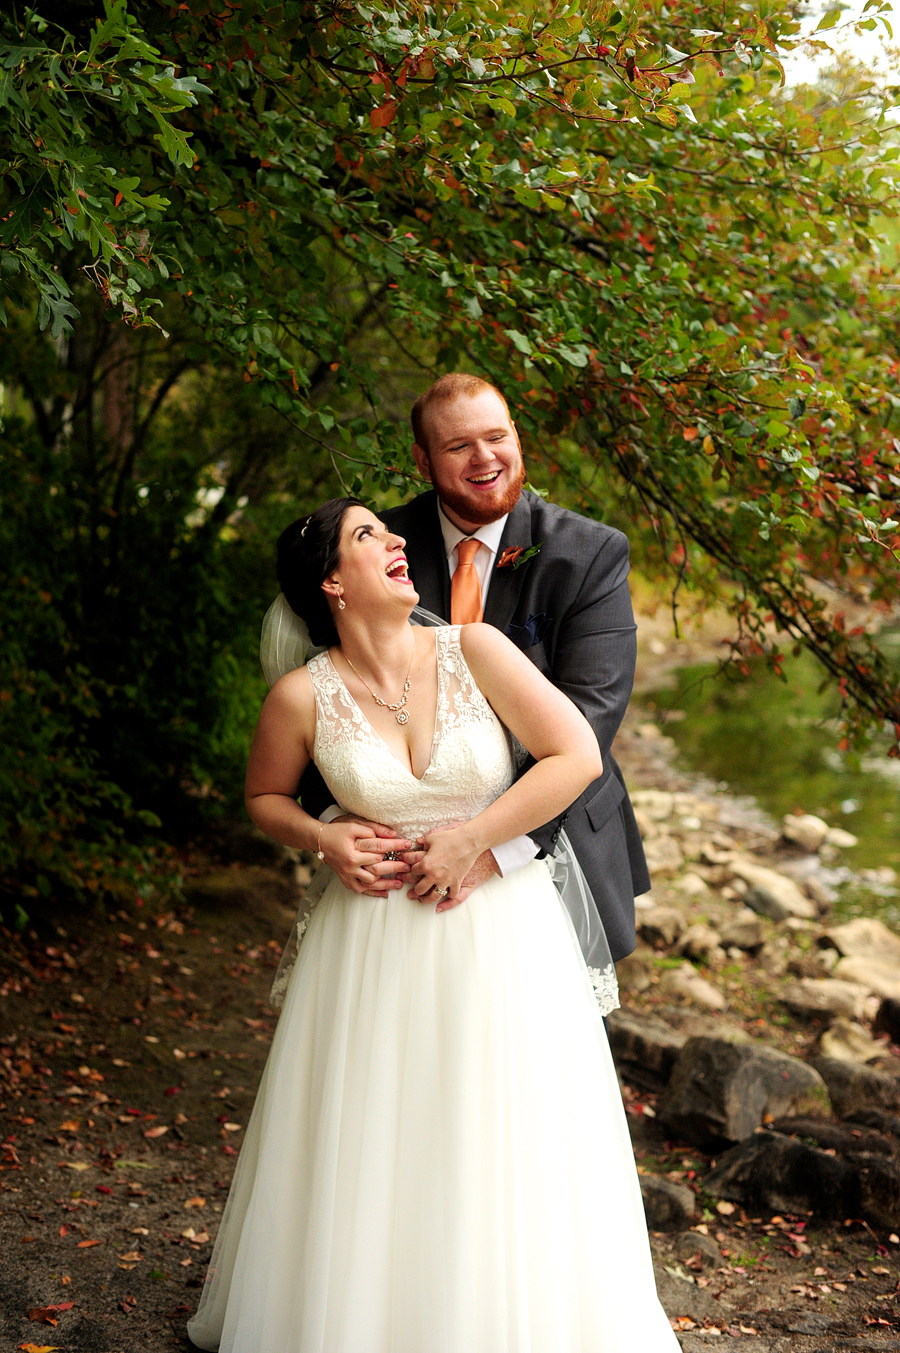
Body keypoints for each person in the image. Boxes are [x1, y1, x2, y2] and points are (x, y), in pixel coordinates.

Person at [187, 498, 677, 1352]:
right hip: (368, 945)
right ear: (332, 581)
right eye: (369, 534)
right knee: (378, 1133)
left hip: (500, 936)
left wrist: (479, 841)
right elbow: (264, 797)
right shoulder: (301, 697)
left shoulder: (474, 646)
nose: (399, 541)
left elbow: (577, 754)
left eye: (391, 529)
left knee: (499, 1128)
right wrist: (322, 835)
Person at [302, 373, 648, 962]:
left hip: (554, 845)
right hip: (401, 871)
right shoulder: (375, 549)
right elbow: (328, 697)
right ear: (423, 460)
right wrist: (336, 824)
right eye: (459, 446)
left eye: (497, 436)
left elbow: (588, 725)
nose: (485, 458)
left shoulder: (588, 554)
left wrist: (489, 848)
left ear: (516, 435)